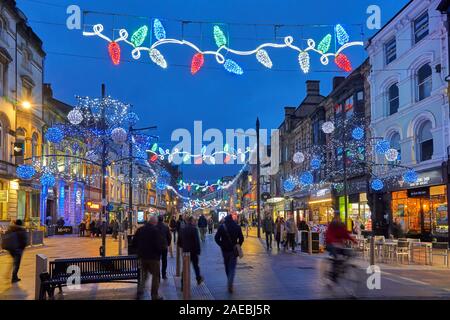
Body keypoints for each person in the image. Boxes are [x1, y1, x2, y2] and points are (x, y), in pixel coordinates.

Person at [132, 215, 164, 300]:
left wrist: (139, 251)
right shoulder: (155, 231)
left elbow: (134, 243)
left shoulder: (140, 230)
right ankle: (154, 295)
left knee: (144, 275)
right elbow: (159, 245)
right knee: (156, 276)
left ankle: (139, 292)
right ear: (154, 222)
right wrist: (159, 253)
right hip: (153, 258)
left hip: (143, 257)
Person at [215, 214, 244, 293]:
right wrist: (238, 244)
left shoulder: (222, 227)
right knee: (232, 267)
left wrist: (221, 244)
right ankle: (230, 282)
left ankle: (229, 280)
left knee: (227, 266)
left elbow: (216, 238)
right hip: (233, 250)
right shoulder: (237, 227)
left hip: (225, 250)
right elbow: (241, 238)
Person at [325, 212, 357, 282]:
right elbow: (328, 235)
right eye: (336, 217)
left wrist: (354, 241)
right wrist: (333, 241)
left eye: (338, 218)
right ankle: (333, 276)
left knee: (349, 254)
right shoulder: (331, 225)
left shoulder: (341, 225)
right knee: (336, 258)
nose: (338, 219)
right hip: (330, 244)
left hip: (339, 245)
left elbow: (345, 234)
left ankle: (342, 268)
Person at [179, 216, 204, 287]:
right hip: (193, 251)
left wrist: (183, 247)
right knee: (196, 266)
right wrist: (198, 251)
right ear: (192, 221)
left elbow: (179, 241)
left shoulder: (182, 229)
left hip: (185, 251)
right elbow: (197, 241)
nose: (195, 222)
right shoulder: (194, 229)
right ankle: (198, 278)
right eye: (194, 221)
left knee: (185, 267)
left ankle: (182, 283)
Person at [156, 215, 172, 280]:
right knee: (164, 260)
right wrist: (168, 244)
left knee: (157, 261)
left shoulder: (155, 226)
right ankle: (164, 274)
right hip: (164, 246)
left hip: (156, 246)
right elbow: (169, 236)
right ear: (162, 219)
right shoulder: (166, 226)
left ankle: (158, 275)